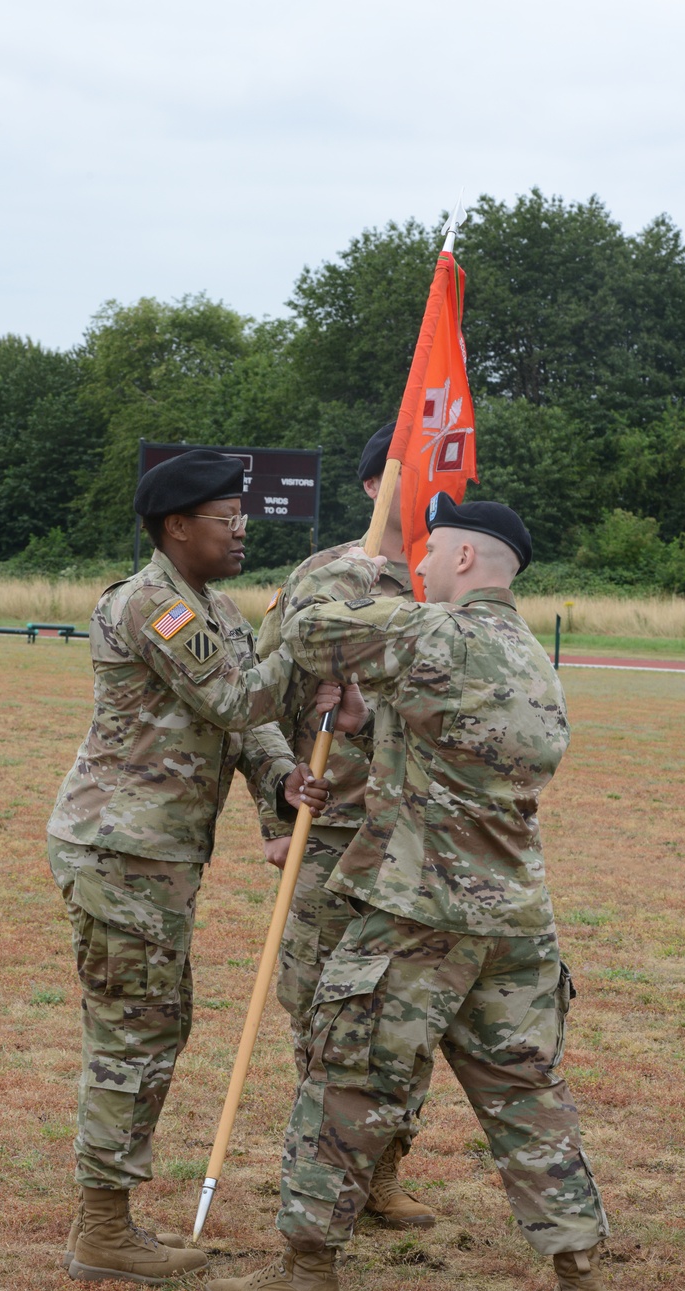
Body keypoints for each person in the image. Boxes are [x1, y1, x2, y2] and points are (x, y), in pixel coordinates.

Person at [205, 495, 611, 1291]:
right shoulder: (529, 656)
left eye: (429, 555)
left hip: (422, 911)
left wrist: (352, 564)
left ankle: (307, 1267)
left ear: (465, 561)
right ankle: (580, 1276)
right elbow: (460, 748)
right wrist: (370, 724)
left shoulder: (441, 636)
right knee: (527, 1094)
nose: (414, 567)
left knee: (347, 1078)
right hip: (517, 919)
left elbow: (311, 631)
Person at [48, 448, 330, 1286]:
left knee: (158, 1025)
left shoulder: (213, 606)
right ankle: (102, 1230)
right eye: (226, 519)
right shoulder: (150, 607)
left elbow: (252, 729)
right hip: (119, 848)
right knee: (134, 1031)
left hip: (158, 850)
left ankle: (112, 1219)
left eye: (242, 517)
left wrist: (281, 793)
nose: (242, 531)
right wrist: (310, 636)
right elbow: (241, 697)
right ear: (177, 527)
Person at [254, 422, 435, 1230]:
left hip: (421, 839)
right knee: (320, 1005)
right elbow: (265, 703)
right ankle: (324, 1176)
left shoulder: (453, 581)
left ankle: (385, 1171)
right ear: (374, 488)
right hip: (332, 832)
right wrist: (275, 814)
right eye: (410, 475)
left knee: (404, 1013)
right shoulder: (326, 579)